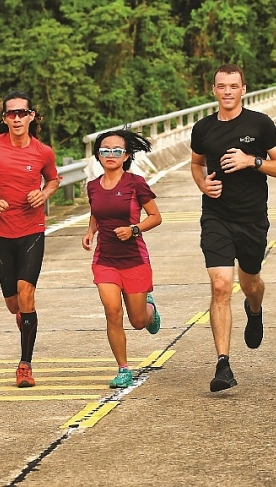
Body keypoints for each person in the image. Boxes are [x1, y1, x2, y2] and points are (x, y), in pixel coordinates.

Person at [190, 63, 276, 392]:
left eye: (234, 86)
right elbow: (195, 163)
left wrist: (252, 161)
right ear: (214, 90)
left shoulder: (260, 125)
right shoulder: (203, 129)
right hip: (216, 217)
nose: (228, 91)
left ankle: (255, 308)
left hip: (252, 220)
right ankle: (223, 365)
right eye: (222, 86)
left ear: (243, 89)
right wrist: (202, 184)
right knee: (220, 286)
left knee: (251, 283)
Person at [0, 91, 60, 388]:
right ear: (4, 118)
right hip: (2, 231)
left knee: (27, 295)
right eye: (11, 114)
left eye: (22, 113)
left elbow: (54, 179)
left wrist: (43, 193)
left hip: (32, 230)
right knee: (13, 304)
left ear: (33, 116)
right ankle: (24, 319)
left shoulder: (43, 152)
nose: (17, 118)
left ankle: (25, 365)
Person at [82, 129, 162, 389]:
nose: (111, 155)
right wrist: (90, 231)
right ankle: (123, 368)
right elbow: (97, 212)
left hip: (134, 259)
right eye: (105, 151)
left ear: (126, 155)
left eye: (117, 151)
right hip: (105, 260)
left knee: (137, 321)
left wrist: (134, 229)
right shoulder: (92, 186)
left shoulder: (135, 183)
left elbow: (155, 217)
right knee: (112, 311)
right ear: (98, 155)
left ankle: (150, 311)